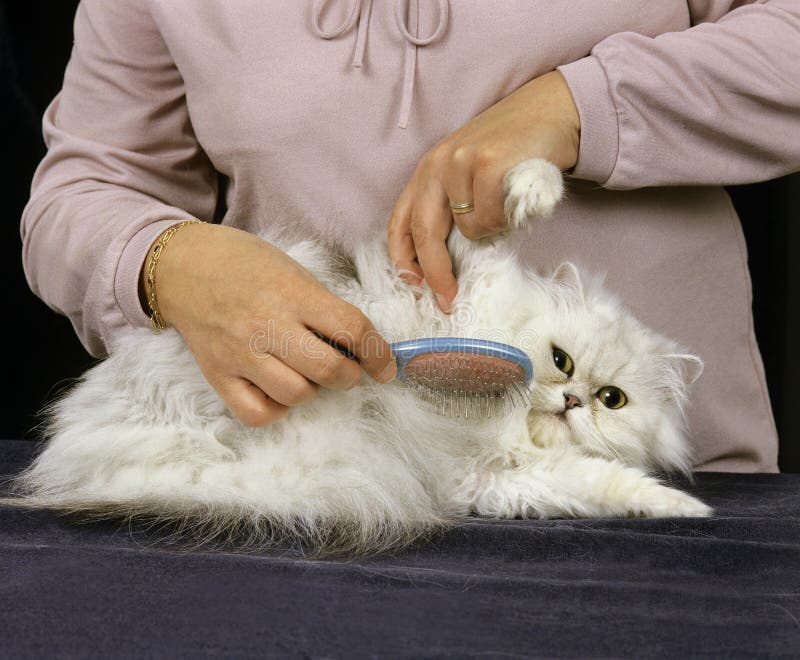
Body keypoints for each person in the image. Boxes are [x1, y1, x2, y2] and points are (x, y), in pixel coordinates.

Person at [21, 1, 800, 472]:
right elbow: (84, 188)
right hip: (323, 497)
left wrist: (576, 106)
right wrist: (169, 263)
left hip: (655, 488)